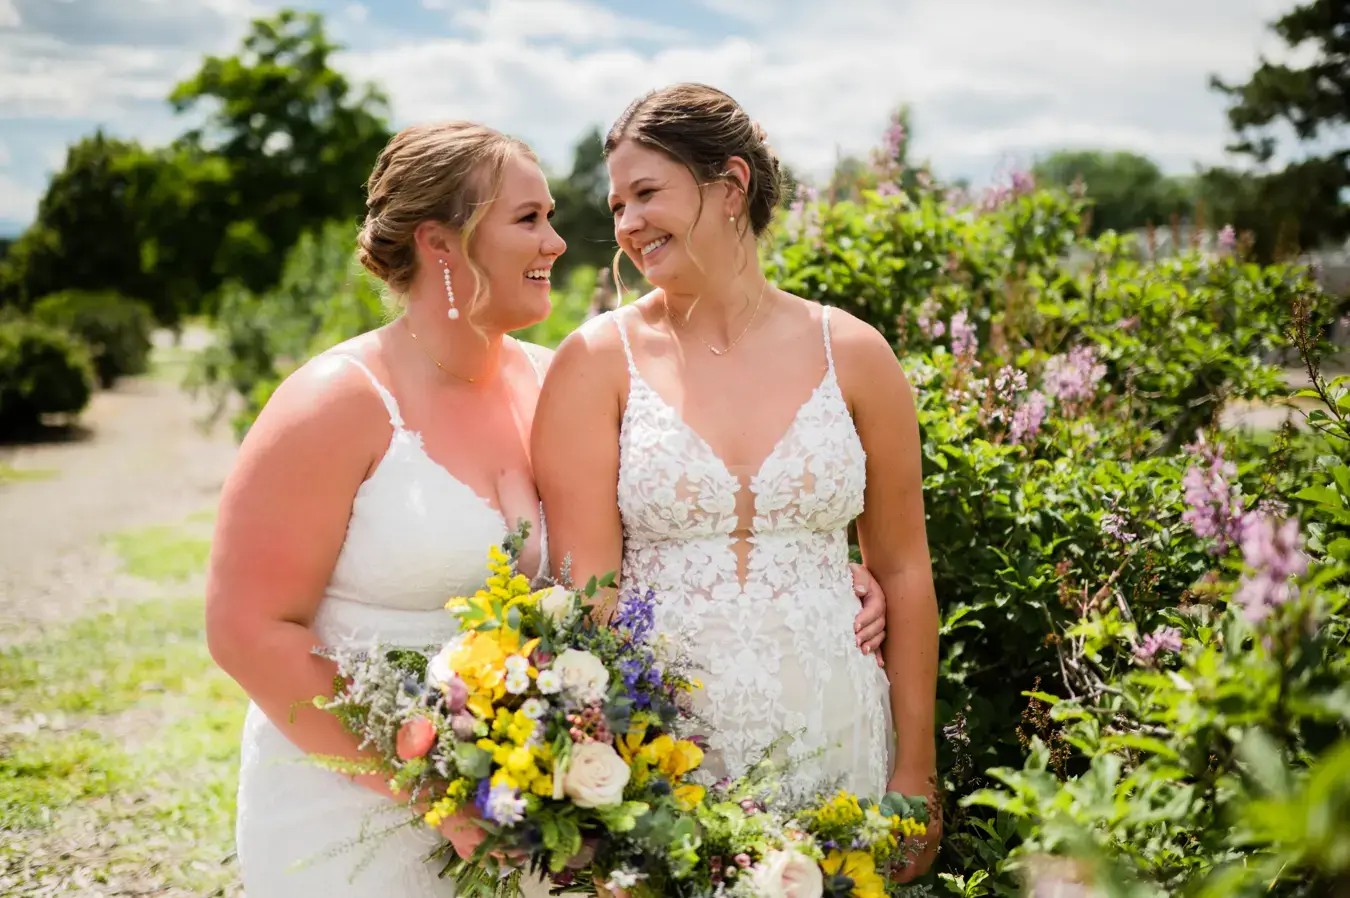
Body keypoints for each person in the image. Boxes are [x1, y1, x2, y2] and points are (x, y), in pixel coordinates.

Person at [206, 119, 890, 896]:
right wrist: (437, 788)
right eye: (528, 219)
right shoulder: (336, 401)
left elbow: (640, 540)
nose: (559, 244)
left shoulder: (549, 381)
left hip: (527, 810)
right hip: (351, 808)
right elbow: (246, 630)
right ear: (440, 242)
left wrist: (821, 577)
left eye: (552, 219)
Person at [533, 84, 941, 881]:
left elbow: (905, 570)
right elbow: (589, 596)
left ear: (730, 185)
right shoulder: (596, 361)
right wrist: (601, 791)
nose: (626, 224)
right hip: (669, 762)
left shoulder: (854, 354)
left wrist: (916, 771)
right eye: (617, 205)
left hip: (842, 744)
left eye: (647, 193)